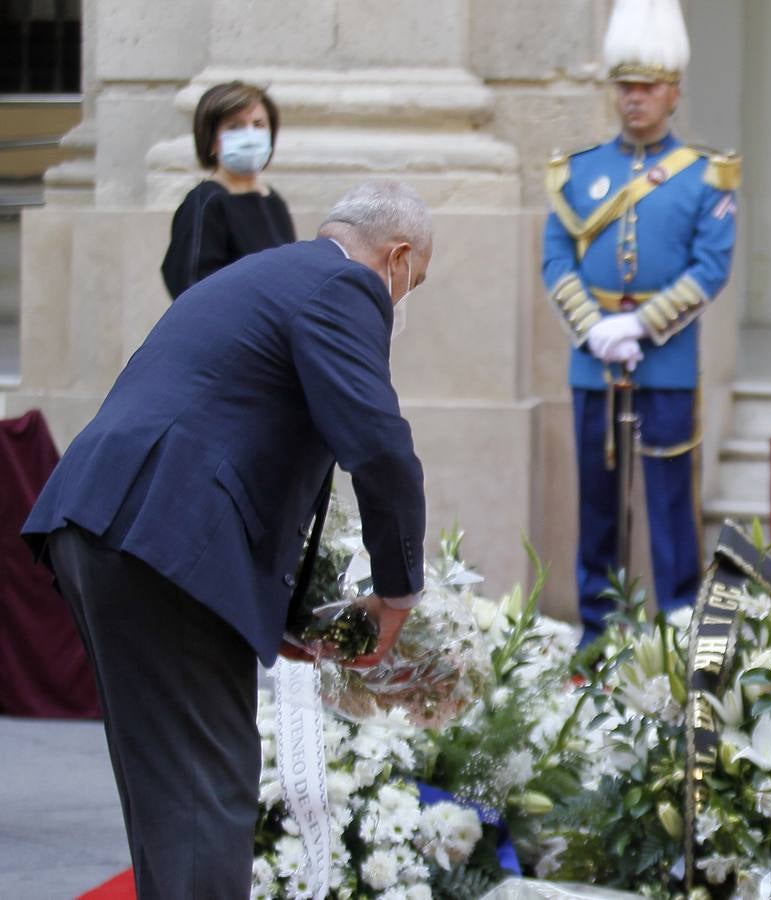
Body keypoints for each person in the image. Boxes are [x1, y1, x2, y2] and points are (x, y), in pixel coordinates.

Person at [22, 180, 431, 899]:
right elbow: (378, 447)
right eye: (412, 284)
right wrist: (398, 592)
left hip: (103, 523)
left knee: (168, 792)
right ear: (396, 257)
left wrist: (280, 614)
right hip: (160, 537)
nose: (401, 304)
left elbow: (230, 430)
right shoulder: (343, 285)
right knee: (207, 791)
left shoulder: (268, 273)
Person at [541, 0, 738, 638]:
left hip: (668, 360)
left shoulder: (707, 175)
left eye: (647, 87)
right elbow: (555, 259)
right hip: (592, 358)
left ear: (673, 92)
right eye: (625, 86)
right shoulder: (578, 171)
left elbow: (709, 267)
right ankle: (599, 627)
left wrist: (641, 325)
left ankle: (679, 615)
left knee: (670, 499)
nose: (634, 99)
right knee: (598, 500)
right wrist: (595, 327)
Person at [160, 80, 298, 299]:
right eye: (235, 127)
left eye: (259, 124)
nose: (250, 135)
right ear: (212, 140)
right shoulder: (206, 203)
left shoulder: (273, 200)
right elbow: (191, 286)